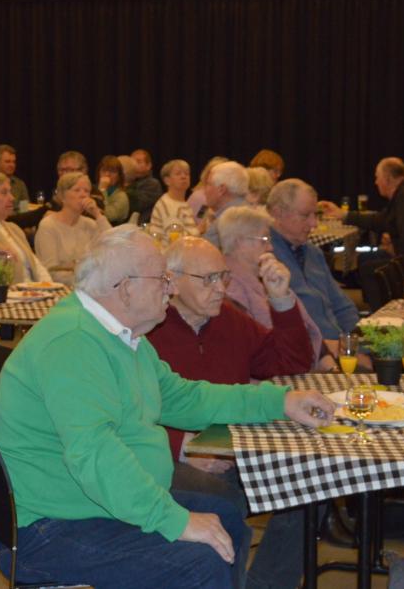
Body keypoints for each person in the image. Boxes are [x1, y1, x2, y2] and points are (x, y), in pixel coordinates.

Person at [0, 226, 337, 588]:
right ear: (126, 287)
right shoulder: (74, 342)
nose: (170, 289)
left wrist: (281, 402)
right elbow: (95, 454)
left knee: (227, 518)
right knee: (201, 561)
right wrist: (174, 520)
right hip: (50, 528)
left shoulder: (120, 336)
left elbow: (187, 398)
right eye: (162, 279)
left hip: (90, 503)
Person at [146, 237, 319, 589]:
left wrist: (282, 299)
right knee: (223, 498)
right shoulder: (149, 328)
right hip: (170, 455)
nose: (219, 289)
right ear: (172, 281)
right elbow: (124, 414)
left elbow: (291, 362)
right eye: (207, 279)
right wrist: (182, 446)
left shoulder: (229, 319)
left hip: (239, 446)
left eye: (222, 277)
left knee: (314, 486)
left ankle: (265, 584)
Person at [321, 157, 404, 311]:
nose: (376, 182)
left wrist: (393, 250)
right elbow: (381, 219)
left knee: (374, 270)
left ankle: (384, 313)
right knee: (368, 260)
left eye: (377, 177)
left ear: (387, 179)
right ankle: (360, 289)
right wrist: (344, 215)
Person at [217, 206, 325, 358]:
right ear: (240, 242)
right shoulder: (232, 287)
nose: (271, 247)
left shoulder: (260, 278)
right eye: (264, 240)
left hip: (294, 359)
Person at [267, 179, 360, 344]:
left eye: (315, 214)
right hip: (311, 353)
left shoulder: (313, 252)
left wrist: (354, 340)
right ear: (278, 212)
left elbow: (343, 306)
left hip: (340, 345)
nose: (314, 224)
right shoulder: (266, 258)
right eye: (305, 215)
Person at [36, 173, 111, 286]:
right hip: (61, 288)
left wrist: (97, 214)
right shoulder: (48, 226)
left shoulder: (90, 224)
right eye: (77, 190)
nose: (83, 195)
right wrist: (87, 281)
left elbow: (115, 245)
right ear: (62, 196)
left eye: (86, 191)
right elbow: (51, 271)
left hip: (90, 286)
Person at [199, 160, 250, 248]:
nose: (204, 190)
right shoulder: (250, 213)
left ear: (221, 190)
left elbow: (199, 256)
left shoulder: (225, 222)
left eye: (208, 184)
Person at [151, 158, 198, 235]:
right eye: (178, 174)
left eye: (186, 173)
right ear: (167, 181)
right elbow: (176, 240)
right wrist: (200, 229)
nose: (184, 176)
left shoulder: (182, 203)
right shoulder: (167, 204)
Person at [126, 149, 163, 223]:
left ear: (149, 165)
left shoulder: (153, 184)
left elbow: (137, 205)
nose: (133, 165)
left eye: (138, 162)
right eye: (131, 162)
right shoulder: (129, 183)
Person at [97, 155, 131, 225]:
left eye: (112, 171)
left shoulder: (121, 196)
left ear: (119, 176)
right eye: (104, 170)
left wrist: (102, 190)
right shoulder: (92, 190)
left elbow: (108, 216)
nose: (107, 174)